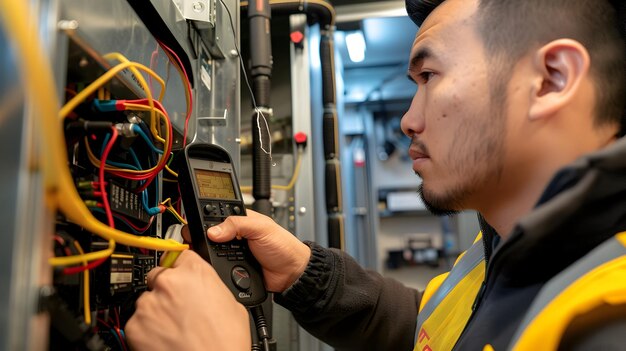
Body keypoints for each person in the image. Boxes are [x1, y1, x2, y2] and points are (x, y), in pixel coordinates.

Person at [126, 0, 626, 349]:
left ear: (552, 79)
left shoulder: (605, 320)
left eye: (429, 76)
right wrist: (305, 274)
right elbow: (427, 335)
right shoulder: (503, 253)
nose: (409, 119)